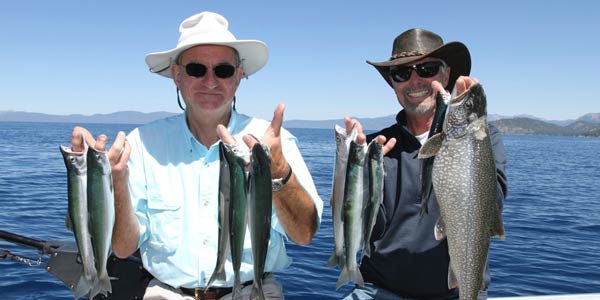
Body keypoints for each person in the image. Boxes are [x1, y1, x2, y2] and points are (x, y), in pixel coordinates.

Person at [69, 11, 323, 300]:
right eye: (196, 69)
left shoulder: (272, 141)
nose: (211, 81)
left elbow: (304, 234)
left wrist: (277, 171)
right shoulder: (141, 144)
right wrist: (114, 182)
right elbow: (124, 248)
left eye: (224, 70)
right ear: (177, 75)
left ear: (239, 76)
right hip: (165, 293)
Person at [341, 29, 508, 300]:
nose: (415, 80)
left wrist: (472, 133)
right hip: (378, 291)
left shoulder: (482, 138)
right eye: (402, 73)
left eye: (427, 69)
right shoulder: (376, 146)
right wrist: (355, 169)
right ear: (393, 84)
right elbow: (358, 228)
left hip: (456, 292)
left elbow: (491, 207)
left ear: (446, 75)